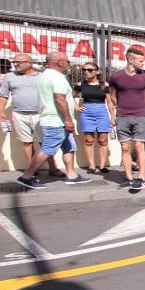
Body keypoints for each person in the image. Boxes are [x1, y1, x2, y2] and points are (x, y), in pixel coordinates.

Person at [16, 51, 91, 189]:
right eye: (67, 61)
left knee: (69, 147)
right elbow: (59, 99)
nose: (69, 64)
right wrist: (68, 120)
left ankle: (72, 175)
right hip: (56, 120)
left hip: (55, 119)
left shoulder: (45, 76)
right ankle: (26, 176)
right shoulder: (56, 77)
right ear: (60, 62)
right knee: (48, 148)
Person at [0, 52, 64, 176]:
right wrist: (1, 112)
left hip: (41, 114)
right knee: (27, 142)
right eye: (14, 62)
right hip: (19, 114)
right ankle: (33, 170)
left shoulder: (42, 76)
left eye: (19, 62)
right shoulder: (9, 76)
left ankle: (53, 168)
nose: (15, 64)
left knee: (45, 142)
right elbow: (3, 95)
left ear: (29, 63)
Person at [108, 48, 145, 191]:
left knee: (140, 147)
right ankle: (128, 178)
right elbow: (112, 95)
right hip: (123, 116)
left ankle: (141, 178)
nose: (143, 63)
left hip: (140, 115)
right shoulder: (116, 77)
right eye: (141, 61)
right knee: (125, 147)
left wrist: (138, 104)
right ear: (130, 60)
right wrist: (120, 107)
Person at [75, 62, 114, 174]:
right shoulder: (80, 84)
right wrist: (77, 107)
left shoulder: (104, 85)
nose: (86, 72)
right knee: (89, 140)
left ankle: (102, 166)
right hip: (87, 112)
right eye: (84, 70)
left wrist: (112, 117)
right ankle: (91, 166)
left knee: (103, 140)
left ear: (97, 72)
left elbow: (110, 102)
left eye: (90, 70)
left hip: (102, 112)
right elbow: (70, 96)